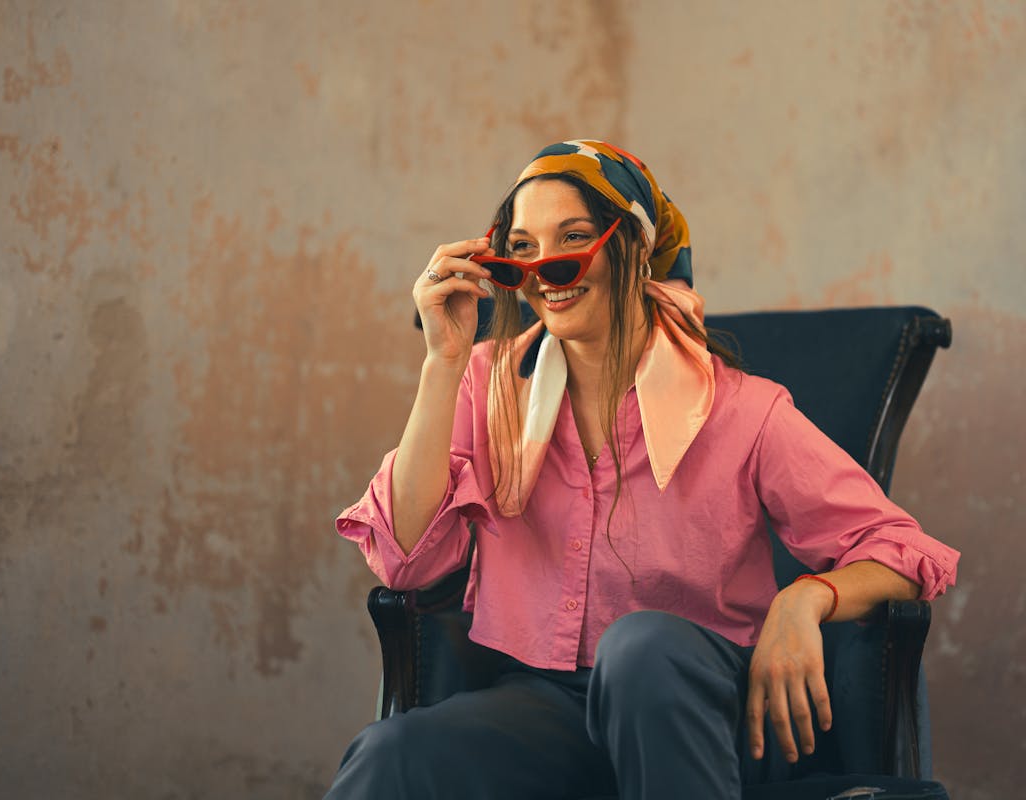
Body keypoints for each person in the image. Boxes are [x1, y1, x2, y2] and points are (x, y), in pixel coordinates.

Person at [326, 140, 960, 799]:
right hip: (549, 710)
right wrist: (444, 361)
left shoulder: (743, 410)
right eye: (521, 251)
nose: (546, 271)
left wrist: (806, 597)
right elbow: (405, 560)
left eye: (572, 239)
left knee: (640, 649)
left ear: (631, 244)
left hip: (701, 712)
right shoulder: (489, 385)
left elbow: (905, 552)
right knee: (392, 753)